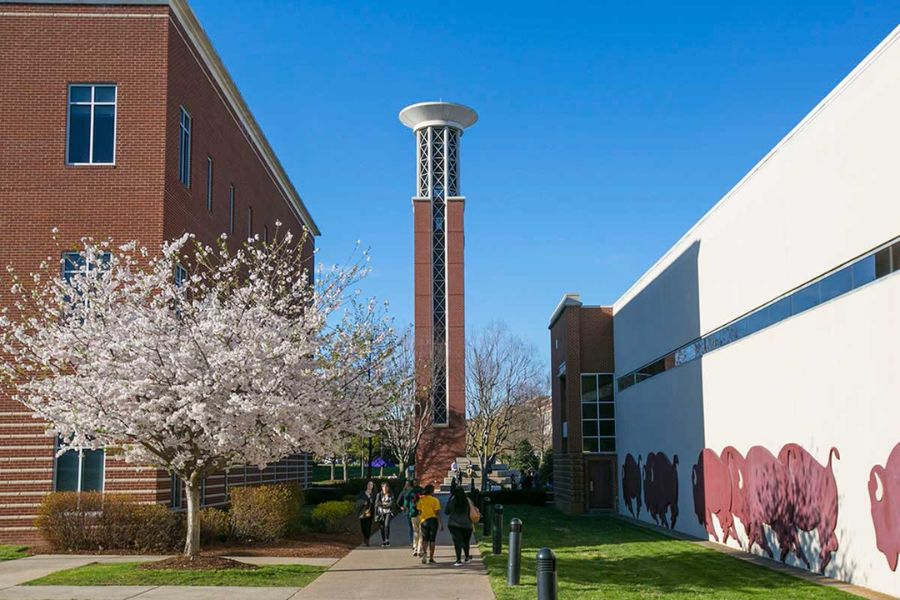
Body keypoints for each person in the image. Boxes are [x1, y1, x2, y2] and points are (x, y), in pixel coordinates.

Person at [444, 486, 474, 566]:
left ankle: (458, 559)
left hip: (454, 524)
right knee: (466, 542)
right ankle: (467, 557)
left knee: (457, 542)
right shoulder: (468, 501)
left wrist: (449, 500)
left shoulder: (452, 501)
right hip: (467, 524)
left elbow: (446, 512)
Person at [416, 484, 443, 564]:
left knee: (425, 539)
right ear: (432, 491)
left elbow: (419, 511)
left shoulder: (421, 500)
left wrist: (421, 519)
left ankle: (424, 554)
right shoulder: (435, 500)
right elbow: (437, 512)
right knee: (432, 540)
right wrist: (441, 523)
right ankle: (431, 558)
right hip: (433, 520)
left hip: (424, 520)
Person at [375, 481, 396, 547]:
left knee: (386, 525)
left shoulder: (391, 494)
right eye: (384, 487)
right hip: (381, 512)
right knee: (382, 527)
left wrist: (384, 505)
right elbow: (377, 503)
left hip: (388, 512)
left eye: (386, 487)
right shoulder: (379, 494)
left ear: (388, 488)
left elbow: (391, 503)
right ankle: (383, 540)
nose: (385, 488)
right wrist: (384, 505)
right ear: (382, 487)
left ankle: (387, 540)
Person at [356, 480, 376, 546]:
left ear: (373, 486)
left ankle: (367, 539)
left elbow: (376, 502)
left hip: (370, 512)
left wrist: (371, 501)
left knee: (368, 526)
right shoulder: (362, 493)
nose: (370, 486)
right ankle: (365, 536)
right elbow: (358, 500)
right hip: (362, 511)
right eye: (369, 484)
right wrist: (363, 502)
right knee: (363, 526)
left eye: (371, 485)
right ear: (366, 485)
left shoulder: (374, 494)